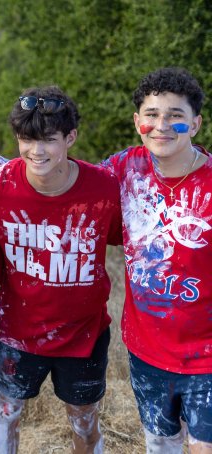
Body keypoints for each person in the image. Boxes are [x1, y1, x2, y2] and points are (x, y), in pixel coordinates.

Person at [0, 86, 122, 454]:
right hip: (16, 331)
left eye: (49, 139)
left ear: (70, 138)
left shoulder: (104, 188)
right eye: (27, 139)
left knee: (84, 422)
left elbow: (136, 239)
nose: (36, 151)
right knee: (6, 414)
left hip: (83, 333)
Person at [99, 67, 212, 453]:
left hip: (207, 355)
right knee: (161, 444)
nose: (161, 126)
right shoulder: (123, 168)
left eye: (175, 116)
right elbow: (69, 187)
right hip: (147, 351)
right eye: (152, 115)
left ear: (195, 124)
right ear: (137, 122)